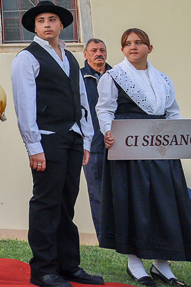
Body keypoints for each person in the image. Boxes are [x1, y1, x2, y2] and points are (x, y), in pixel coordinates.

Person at [97, 28, 191, 286]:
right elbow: (105, 110)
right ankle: (135, 263)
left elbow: (173, 114)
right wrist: (108, 133)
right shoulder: (113, 77)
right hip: (128, 149)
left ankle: (161, 264)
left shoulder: (164, 79)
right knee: (134, 202)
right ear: (122, 50)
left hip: (161, 149)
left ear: (149, 48)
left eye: (139, 42)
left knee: (163, 203)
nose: (133, 47)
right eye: (127, 43)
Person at [10, 0, 103, 287]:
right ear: (35, 27)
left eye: (52, 19)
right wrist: (33, 146)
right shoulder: (27, 58)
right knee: (46, 204)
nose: (47, 24)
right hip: (47, 140)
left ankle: (68, 266)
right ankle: (43, 269)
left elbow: (82, 100)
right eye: (41, 21)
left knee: (66, 204)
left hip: (73, 138)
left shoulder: (71, 58)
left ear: (61, 25)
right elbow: (24, 105)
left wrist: (86, 138)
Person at [79, 38, 110, 239]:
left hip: (119, 144)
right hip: (93, 145)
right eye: (94, 50)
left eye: (102, 50)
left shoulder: (118, 75)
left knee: (122, 191)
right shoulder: (78, 78)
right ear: (86, 54)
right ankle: (105, 237)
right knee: (98, 193)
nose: (98, 53)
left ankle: (124, 236)